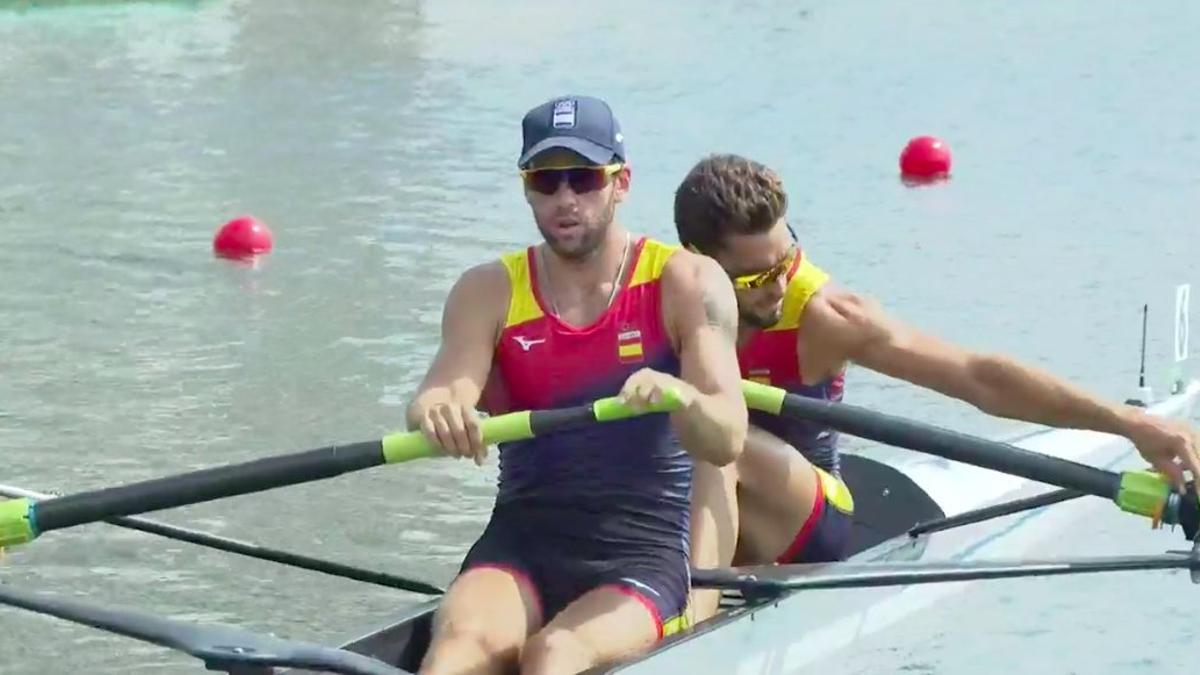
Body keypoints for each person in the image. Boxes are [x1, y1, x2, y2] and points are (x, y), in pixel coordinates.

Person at [672, 152, 1200, 620]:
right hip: (700, 504)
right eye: (757, 280)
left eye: (788, 260)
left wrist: (1128, 422)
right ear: (699, 262)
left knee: (717, 439)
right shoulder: (665, 294)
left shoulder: (824, 315)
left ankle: (690, 617)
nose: (782, 285)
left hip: (809, 523)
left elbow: (977, 377)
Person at [405, 97, 748, 675]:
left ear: (622, 182)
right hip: (522, 540)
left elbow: (727, 437)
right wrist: (436, 412)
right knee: (458, 652)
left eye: (585, 178)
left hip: (640, 549)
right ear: (526, 188)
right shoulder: (486, 289)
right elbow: (441, 391)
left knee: (553, 657)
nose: (565, 198)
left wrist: (680, 395)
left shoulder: (685, 280)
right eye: (545, 180)